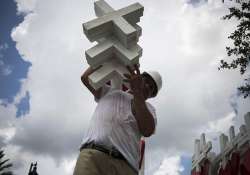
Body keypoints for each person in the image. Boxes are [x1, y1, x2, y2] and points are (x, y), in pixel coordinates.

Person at [73, 64, 162, 175]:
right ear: (139, 78)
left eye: (152, 88)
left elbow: (147, 130)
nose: (148, 86)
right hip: (92, 157)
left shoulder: (149, 109)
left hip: (125, 166)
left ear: (151, 96)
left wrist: (138, 92)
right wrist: (108, 57)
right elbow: (86, 78)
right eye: (146, 81)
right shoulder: (110, 92)